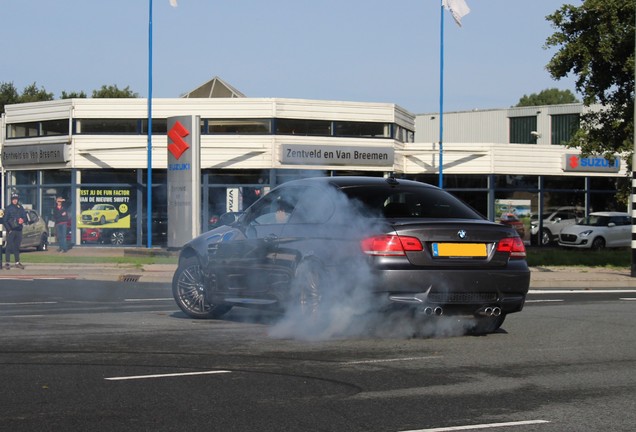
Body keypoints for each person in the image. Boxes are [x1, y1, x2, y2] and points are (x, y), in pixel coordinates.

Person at [4, 193, 28, 270]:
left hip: (18, 230)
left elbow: (25, 218)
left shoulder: (20, 208)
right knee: (9, 247)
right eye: (14, 199)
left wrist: (23, 220)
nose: (15, 200)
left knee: (17, 247)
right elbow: (5, 220)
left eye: (16, 199)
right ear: (11, 200)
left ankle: (17, 262)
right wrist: (9, 229)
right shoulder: (8, 208)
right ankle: (7, 263)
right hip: (11, 230)